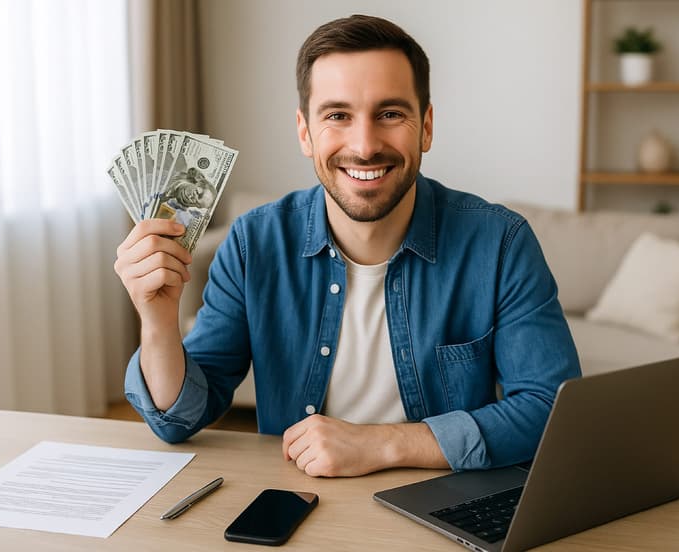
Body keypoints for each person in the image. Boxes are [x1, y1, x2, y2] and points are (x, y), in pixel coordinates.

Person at [115, 14, 580, 478]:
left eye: (391, 114)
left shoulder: (501, 243)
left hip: (447, 508)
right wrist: (157, 321)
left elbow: (551, 411)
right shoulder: (253, 244)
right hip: (301, 507)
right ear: (305, 132)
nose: (364, 145)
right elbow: (182, 419)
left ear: (426, 127)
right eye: (338, 115)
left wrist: (382, 444)